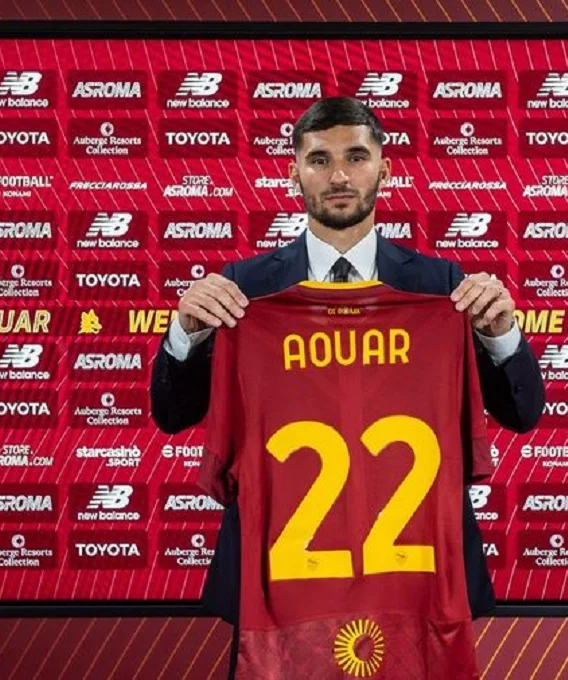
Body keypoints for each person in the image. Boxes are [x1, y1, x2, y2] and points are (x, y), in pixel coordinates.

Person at [149, 96, 545, 677]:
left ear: (384, 168)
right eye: (320, 160)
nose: (339, 176)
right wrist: (185, 333)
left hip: (416, 575)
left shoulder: (442, 287)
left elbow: (523, 412)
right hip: (279, 580)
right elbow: (171, 413)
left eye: (356, 157)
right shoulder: (243, 289)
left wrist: (500, 334)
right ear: (294, 173)